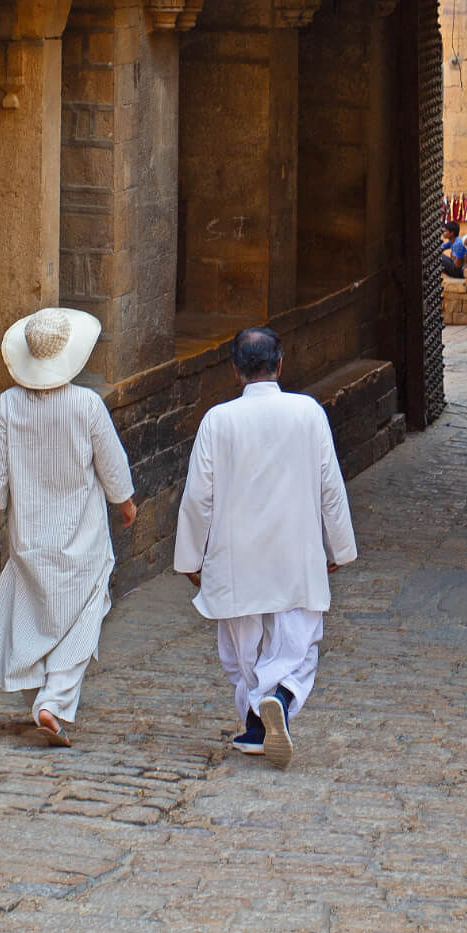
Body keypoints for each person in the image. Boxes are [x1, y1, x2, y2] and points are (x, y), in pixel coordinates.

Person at [174, 325, 358, 771]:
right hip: (295, 551)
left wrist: (190, 558)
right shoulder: (308, 413)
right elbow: (330, 488)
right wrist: (338, 548)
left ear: (236, 371)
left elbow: (200, 497)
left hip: (236, 557)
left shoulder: (218, 421)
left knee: (242, 650)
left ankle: (258, 722)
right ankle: (278, 698)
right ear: (280, 364)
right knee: (297, 643)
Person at [0, 307, 137, 747]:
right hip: (82, 539)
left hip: (30, 537)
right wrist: (127, 504)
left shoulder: (10, 404)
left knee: (35, 614)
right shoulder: (87, 406)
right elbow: (112, 465)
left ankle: (43, 692)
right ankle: (54, 701)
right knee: (84, 614)